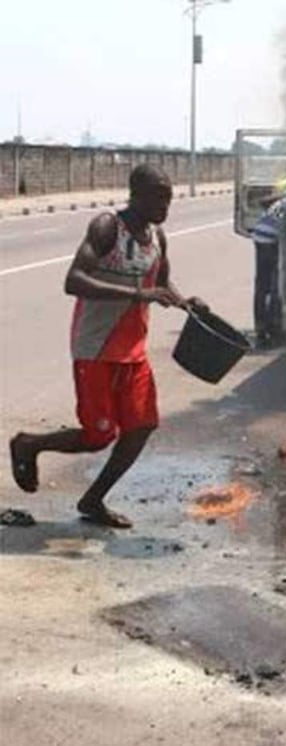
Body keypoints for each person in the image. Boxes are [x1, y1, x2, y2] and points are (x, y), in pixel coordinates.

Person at [8, 165, 204, 529]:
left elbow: (161, 282)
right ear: (136, 194)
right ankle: (29, 445)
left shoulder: (157, 236)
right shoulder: (107, 228)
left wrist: (185, 303)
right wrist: (137, 294)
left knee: (141, 427)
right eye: (158, 197)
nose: (165, 206)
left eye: (169, 199)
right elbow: (74, 280)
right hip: (96, 348)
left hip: (134, 351)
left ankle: (93, 500)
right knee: (98, 436)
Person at [250, 178, 286, 350]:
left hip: (259, 234)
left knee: (261, 284)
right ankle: (274, 330)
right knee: (275, 284)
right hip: (270, 238)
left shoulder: (284, 200)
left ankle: (260, 329)